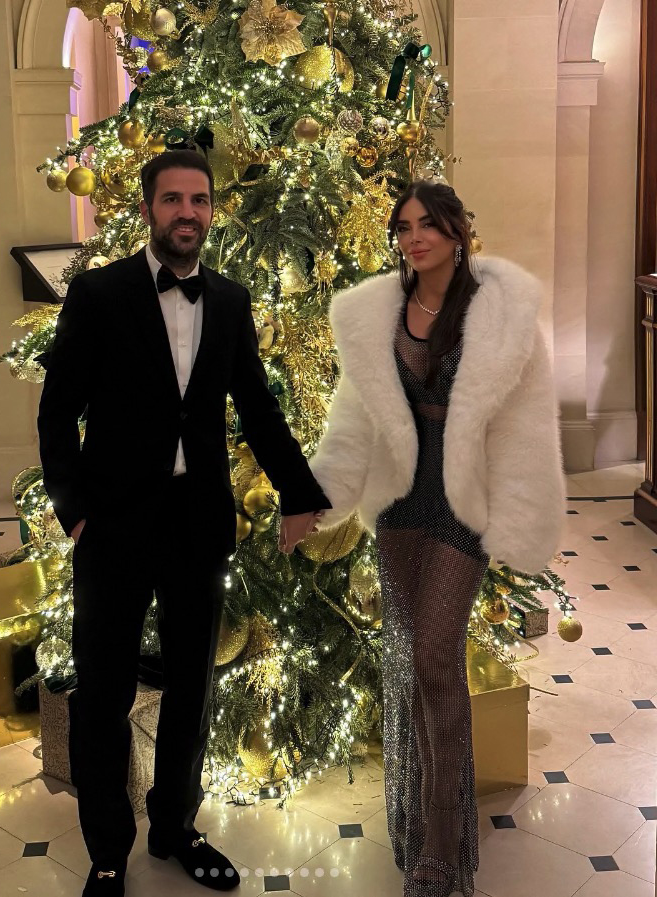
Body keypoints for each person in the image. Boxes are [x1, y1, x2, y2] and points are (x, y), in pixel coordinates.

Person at [37, 148, 329, 896]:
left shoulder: (228, 303)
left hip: (196, 524)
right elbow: (56, 409)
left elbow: (258, 410)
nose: (188, 213)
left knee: (192, 689)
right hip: (110, 527)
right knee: (102, 693)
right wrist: (72, 511)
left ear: (211, 211)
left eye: (199, 200)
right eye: (173, 200)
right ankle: (108, 849)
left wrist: (299, 494)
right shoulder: (99, 295)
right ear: (147, 210)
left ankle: (175, 826)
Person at [301, 180, 565, 897]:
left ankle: (442, 852)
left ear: (457, 232)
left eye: (428, 223)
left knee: (434, 654)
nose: (414, 236)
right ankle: (425, 818)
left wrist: (521, 515)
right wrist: (314, 502)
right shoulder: (374, 312)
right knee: (418, 666)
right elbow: (353, 424)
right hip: (399, 509)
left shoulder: (502, 315)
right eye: (404, 225)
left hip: (461, 508)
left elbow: (526, 427)